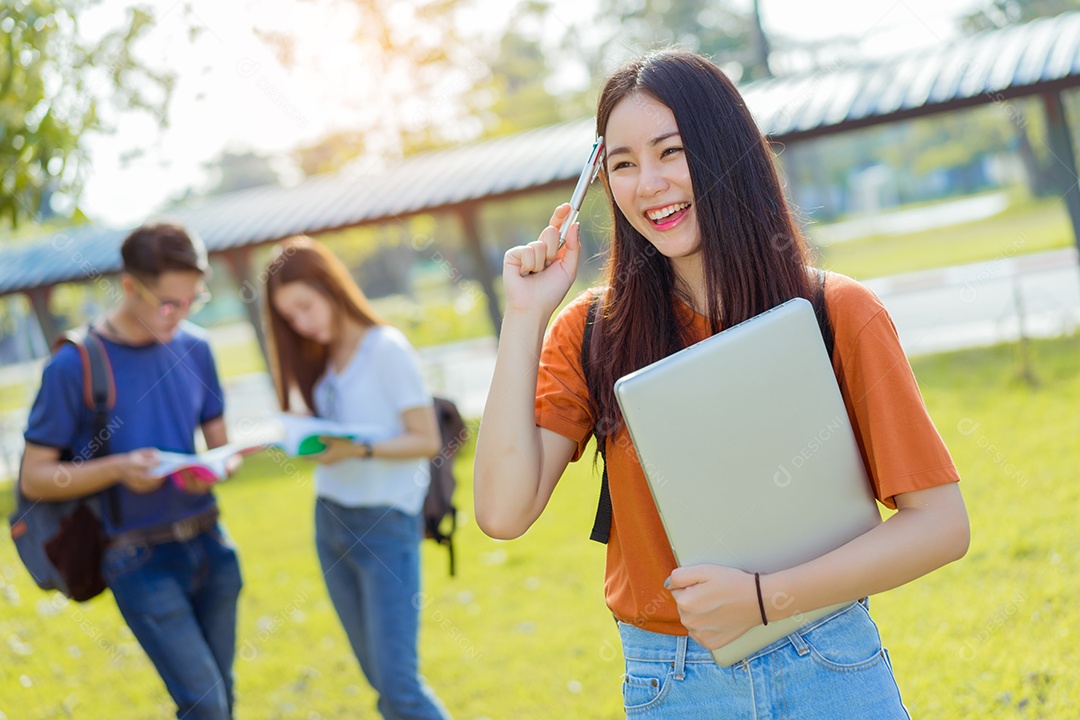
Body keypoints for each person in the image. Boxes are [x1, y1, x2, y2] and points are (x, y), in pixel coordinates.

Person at [473, 49, 970, 718]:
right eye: (622, 163)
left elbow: (940, 525)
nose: (647, 184)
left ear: (725, 150)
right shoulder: (592, 330)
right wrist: (525, 315)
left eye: (670, 151)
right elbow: (503, 512)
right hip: (672, 683)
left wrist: (766, 598)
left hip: (826, 657)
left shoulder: (837, 313)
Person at [19, 223, 242, 719]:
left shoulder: (196, 348)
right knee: (206, 705)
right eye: (168, 304)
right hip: (139, 559)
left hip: (213, 546)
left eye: (193, 301)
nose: (180, 315)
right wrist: (118, 468)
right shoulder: (73, 365)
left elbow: (220, 446)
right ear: (129, 287)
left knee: (221, 699)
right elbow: (35, 477)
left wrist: (216, 466)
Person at [262, 236, 451, 720]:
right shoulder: (319, 358)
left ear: (331, 287)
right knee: (380, 683)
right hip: (331, 523)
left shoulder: (385, 348)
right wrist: (315, 446)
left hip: (386, 526)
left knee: (398, 686)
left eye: (305, 306)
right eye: (290, 317)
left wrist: (358, 448)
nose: (302, 323)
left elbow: (426, 438)